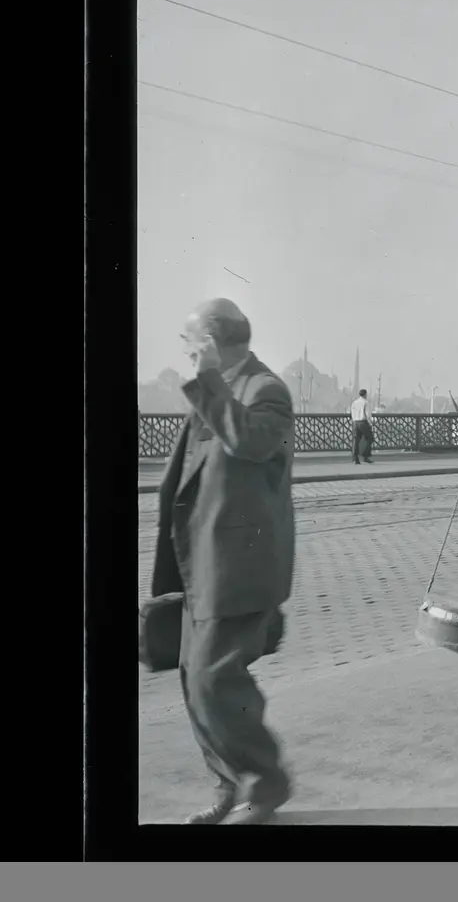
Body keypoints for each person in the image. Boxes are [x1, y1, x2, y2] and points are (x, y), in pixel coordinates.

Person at [150, 298, 295, 824]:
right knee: (195, 682)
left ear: (211, 341)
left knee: (215, 680)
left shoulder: (265, 389)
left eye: (189, 340)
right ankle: (229, 785)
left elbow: (251, 443)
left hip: (238, 569)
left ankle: (265, 784)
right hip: (201, 566)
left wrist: (209, 380)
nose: (185, 350)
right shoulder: (220, 387)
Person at [349, 388, 374, 464]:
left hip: (355, 422)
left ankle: (355, 458)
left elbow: (352, 413)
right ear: (365, 394)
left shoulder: (354, 403)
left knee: (356, 441)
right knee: (369, 438)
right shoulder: (365, 402)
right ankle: (365, 456)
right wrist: (370, 423)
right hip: (363, 422)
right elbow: (368, 414)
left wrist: (354, 421)